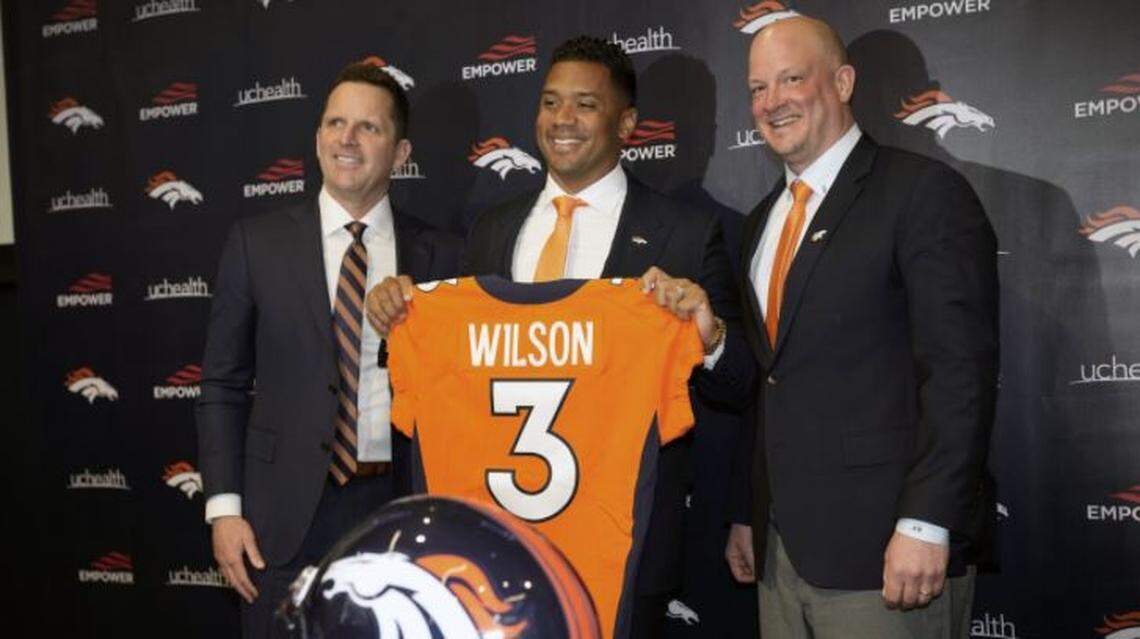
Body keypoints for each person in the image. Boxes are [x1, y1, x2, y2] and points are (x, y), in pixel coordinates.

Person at [365, 36, 754, 639]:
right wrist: (400, 321)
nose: (561, 121)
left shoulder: (685, 232)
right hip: (500, 549)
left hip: (625, 547)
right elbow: (457, 382)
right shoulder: (491, 229)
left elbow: (740, 383)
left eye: (584, 105)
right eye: (550, 103)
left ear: (626, 123)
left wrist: (712, 334)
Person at [722, 15, 998, 638]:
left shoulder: (923, 193)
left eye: (793, 78)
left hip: (888, 557)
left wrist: (926, 524)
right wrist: (749, 509)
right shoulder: (761, 222)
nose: (772, 102)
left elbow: (961, 375)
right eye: (758, 88)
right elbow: (773, 383)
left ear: (843, 82)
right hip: (781, 553)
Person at [196, 61, 461, 637]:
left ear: (400, 152)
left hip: (399, 511)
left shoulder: (443, 257)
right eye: (335, 123)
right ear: (317, 139)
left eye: (368, 127)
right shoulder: (255, 243)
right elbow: (221, 384)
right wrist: (225, 511)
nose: (347, 138)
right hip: (278, 522)